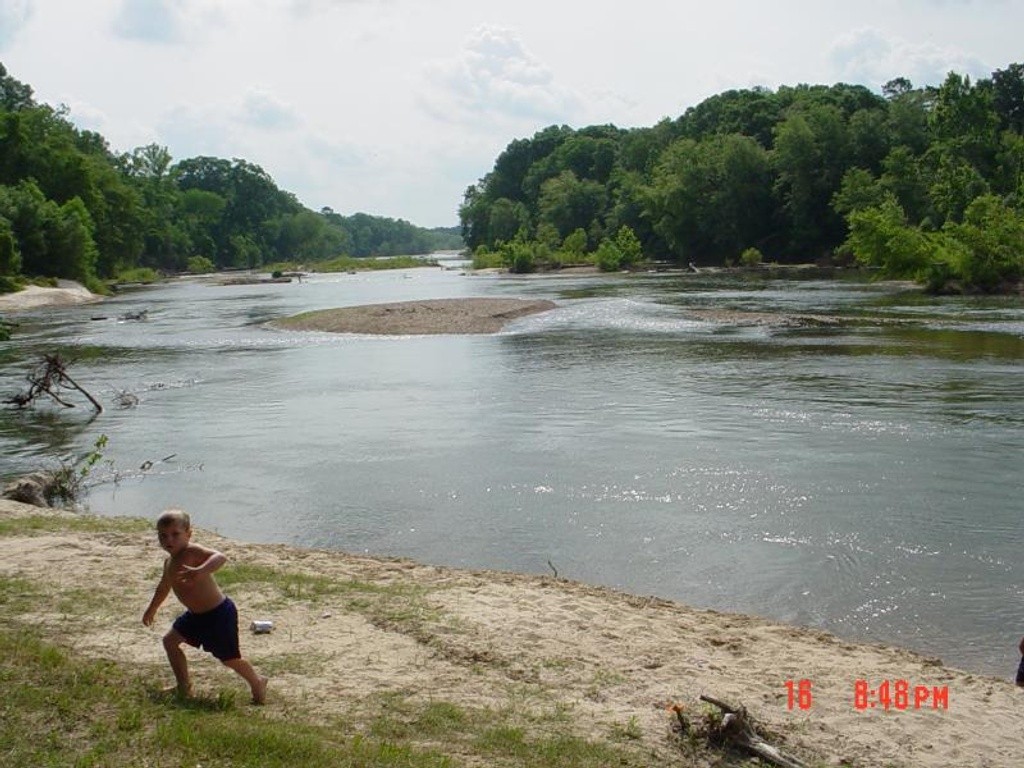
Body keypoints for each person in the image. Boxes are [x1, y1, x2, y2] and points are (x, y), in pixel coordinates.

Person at [142, 508, 267, 704]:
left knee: (229, 658)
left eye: (176, 535)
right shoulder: (168, 562)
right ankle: (184, 686)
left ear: (188, 534)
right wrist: (152, 608)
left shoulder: (192, 552)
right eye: (163, 536)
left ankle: (257, 681)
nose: (169, 541)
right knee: (170, 642)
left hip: (218, 613)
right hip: (195, 616)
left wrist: (201, 570)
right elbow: (163, 587)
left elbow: (220, 557)